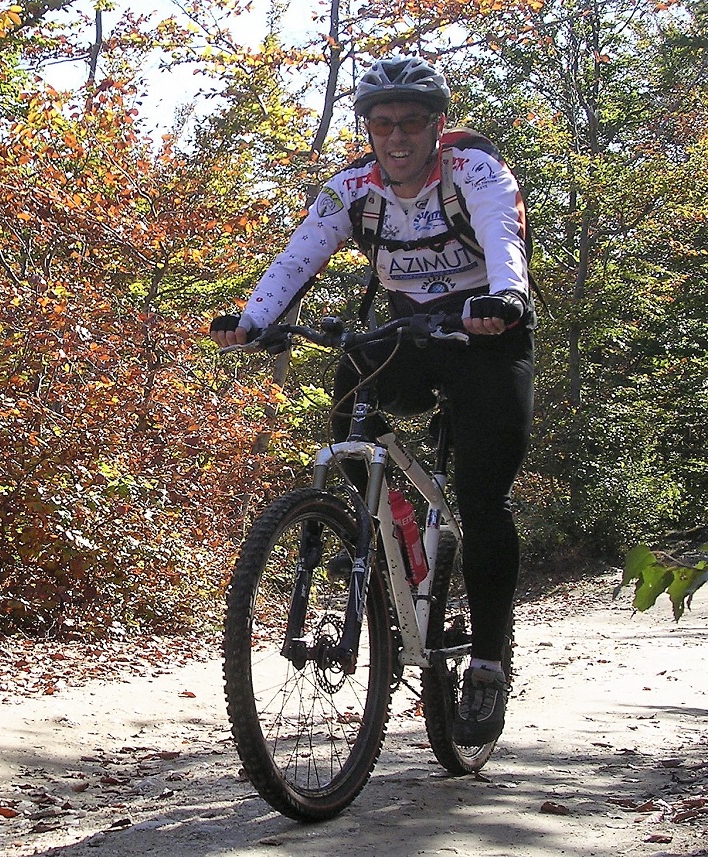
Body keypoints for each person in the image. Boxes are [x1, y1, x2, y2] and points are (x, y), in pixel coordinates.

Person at [210, 56, 534, 745]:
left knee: (484, 500)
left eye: (410, 123)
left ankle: (487, 662)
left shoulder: (476, 172)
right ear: (368, 129)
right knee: (347, 410)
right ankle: (398, 536)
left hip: (487, 332)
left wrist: (505, 299)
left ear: (437, 125)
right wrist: (254, 317)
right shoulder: (351, 188)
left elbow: (503, 239)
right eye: (382, 124)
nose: (396, 137)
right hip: (409, 331)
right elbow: (298, 257)